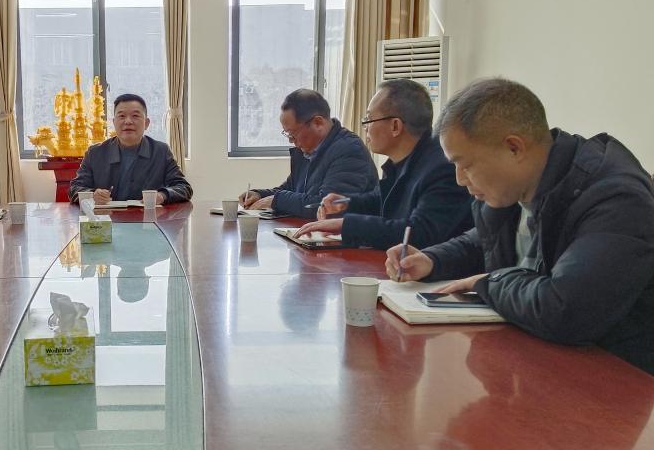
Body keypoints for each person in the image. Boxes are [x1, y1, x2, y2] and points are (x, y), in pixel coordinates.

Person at [384, 77, 654, 371]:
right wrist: (432, 260)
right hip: (533, 358)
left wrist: (488, 283)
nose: (460, 180)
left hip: (613, 377)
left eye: (466, 165)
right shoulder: (517, 186)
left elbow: (565, 309)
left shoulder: (616, 198)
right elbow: (484, 240)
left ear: (514, 148)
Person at [293, 79, 472, 249]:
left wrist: (347, 225)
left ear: (395, 126)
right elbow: (380, 200)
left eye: (369, 119)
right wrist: (346, 203)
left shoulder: (442, 167)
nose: (365, 127)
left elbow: (420, 232)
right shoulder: (402, 161)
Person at [239, 88, 377, 219]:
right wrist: (260, 195)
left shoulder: (349, 149)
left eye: (292, 134)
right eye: (287, 134)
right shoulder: (308, 149)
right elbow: (290, 189)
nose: (291, 141)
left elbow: (327, 207)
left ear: (318, 123)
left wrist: (276, 200)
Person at [69, 93, 192, 205]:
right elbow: (75, 188)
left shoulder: (161, 151)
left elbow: (184, 187)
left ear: (146, 123)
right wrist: (92, 195)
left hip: (148, 219)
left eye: (135, 116)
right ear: (114, 122)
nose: (128, 121)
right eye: (122, 116)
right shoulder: (95, 153)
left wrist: (162, 196)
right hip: (106, 218)